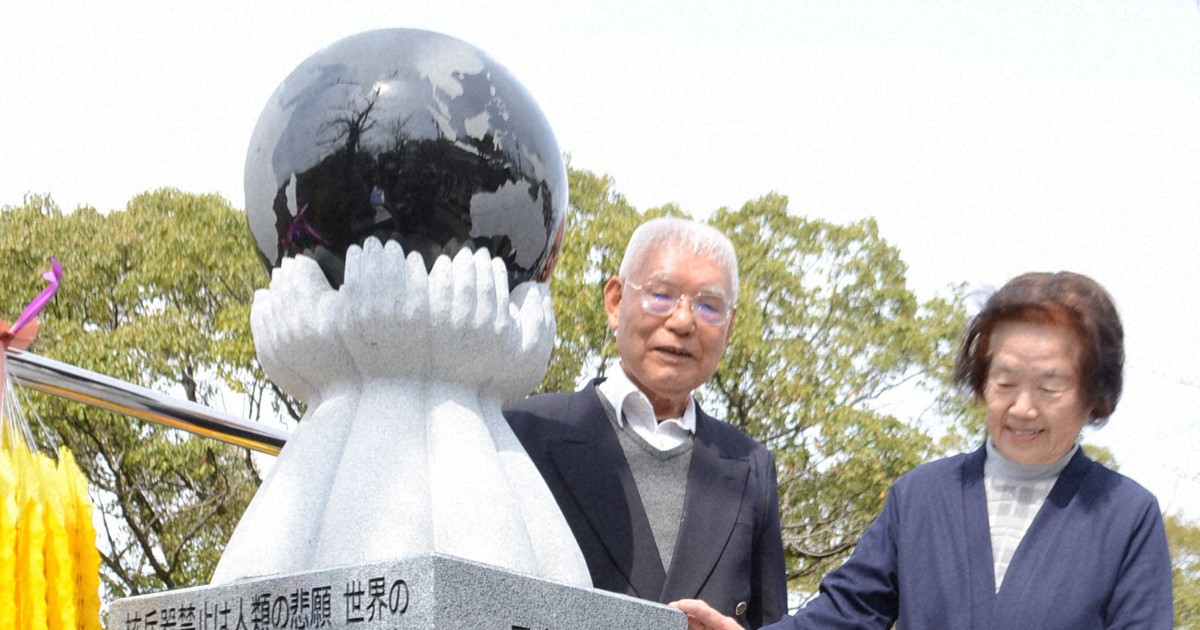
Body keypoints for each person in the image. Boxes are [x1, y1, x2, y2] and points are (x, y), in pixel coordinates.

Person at [673, 271, 1174, 629]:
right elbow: (842, 616)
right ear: (980, 381)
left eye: (1050, 387)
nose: (1022, 408)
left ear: (1095, 395)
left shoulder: (1127, 516)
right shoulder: (921, 497)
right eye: (1004, 382)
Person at [505, 217, 788, 628]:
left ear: (729, 328)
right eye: (661, 295)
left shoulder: (750, 465)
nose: (683, 321)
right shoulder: (526, 432)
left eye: (708, 306)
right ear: (615, 302)